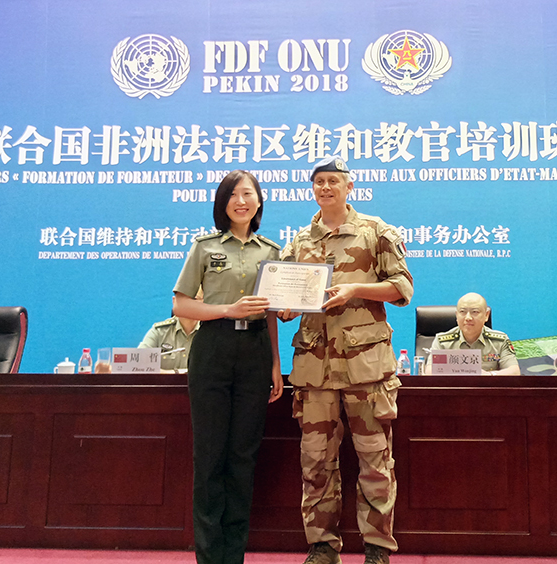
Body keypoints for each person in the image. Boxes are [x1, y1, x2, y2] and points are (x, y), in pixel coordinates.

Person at [278, 155, 413, 564]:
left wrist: (356, 289)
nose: (325, 188)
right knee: (315, 462)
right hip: (315, 370)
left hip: (365, 369)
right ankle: (322, 547)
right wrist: (285, 306)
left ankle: (377, 549)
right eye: (319, 181)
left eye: (333, 181)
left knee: (374, 461)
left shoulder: (376, 231)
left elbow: (402, 287)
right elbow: (284, 299)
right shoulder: (300, 241)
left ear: (349, 186)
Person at [172, 170, 283, 564]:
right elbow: (181, 304)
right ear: (223, 203)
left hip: (255, 350)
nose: (241, 201)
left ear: (259, 202)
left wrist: (275, 362)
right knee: (210, 455)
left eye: (248, 194)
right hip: (213, 348)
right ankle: (208, 556)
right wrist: (226, 310)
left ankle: (233, 556)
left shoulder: (272, 251)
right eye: (233, 195)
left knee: (242, 456)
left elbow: (272, 311)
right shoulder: (204, 247)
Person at [427, 292, 519, 375]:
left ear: (486, 315)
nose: (468, 318)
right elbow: (430, 372)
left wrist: (489, 375)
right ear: (457, 315)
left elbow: (514, 371)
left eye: (475, 312)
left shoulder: (499, 341)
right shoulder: (443, 342)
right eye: (462, 312)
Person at [138, 293, 201, 372]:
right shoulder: (159, 332)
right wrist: (172, 373)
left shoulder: (211, 334)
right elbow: (138, 364)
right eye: (184, 299)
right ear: (174, 301)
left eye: (195, 299)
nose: (189, 304)